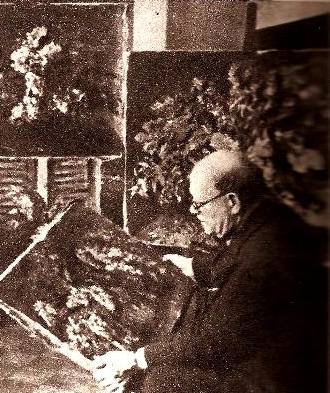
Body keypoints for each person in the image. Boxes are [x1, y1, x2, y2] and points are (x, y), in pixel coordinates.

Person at [93, 150, 327, 393]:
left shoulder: (259, 259)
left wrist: (138, 358)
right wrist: (194, 266)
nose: (194, 212)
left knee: (159, 380)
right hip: (295, 358)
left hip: (281, 380)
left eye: (199, 204)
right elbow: (236, 260)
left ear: (232, 202)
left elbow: (214, 341)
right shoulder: (272, 221)